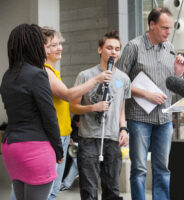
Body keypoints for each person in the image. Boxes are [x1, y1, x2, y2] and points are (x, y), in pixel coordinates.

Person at [115, 7, 184, 200]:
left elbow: (172, 84)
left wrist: (178, 73)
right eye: (164, 28)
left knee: (162, 168)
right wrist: (145, 93)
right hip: (138, 118)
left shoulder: (170, 49)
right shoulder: (134, 47)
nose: (168, 32)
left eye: (170, 28)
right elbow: (118, 81)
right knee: (138, 168)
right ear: (152, 25)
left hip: (164, 118)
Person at [39, 27, 113, 200]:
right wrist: (96, 80)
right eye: (53, 45)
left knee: (53, 189)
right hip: (53, 137)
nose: (59, 48)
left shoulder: (53, 72)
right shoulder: (45, 71)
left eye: (59, 44)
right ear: (42, 48)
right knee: (49, 191)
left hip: (63, 136)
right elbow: (68, 95)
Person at [0, 24, 63, 200]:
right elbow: (49, 117)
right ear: (35, 45)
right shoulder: (38, 74)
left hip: (10, 147)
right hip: (35, 149)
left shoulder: (8, 75)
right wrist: (59, 150)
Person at [70, 30, 130, 200]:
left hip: (112, 139)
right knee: (89, 190)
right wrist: (92, 107)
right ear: (99, 50)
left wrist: (124, 129)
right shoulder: (85, 75)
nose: (114, 52)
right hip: (89, 139)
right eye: (109, 48)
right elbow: (74, 108)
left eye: (117, 49)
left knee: (112, 189)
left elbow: (121, 109)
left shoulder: (123, 79)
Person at [60, 115, 80, 191]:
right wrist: (70, 139)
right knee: (76, 163)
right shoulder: (73, 126)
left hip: (78, 148)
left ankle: (65, 184)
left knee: (76, 164)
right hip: (73, 147)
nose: (78, 125)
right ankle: (65, 184)